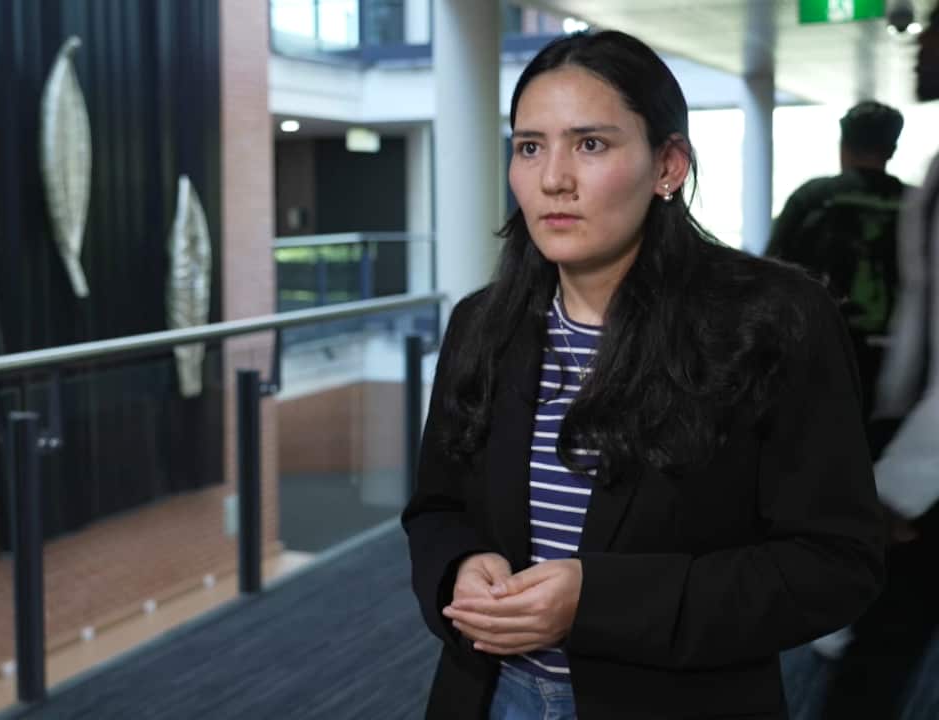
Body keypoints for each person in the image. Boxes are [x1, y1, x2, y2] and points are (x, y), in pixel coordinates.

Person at [402, 30, 885, 720]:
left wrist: (598, 602)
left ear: (668, 165)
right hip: (491, 695)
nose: (552, 179)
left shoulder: (773, 320)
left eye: (590, 144)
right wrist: (457, 566)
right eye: (530, 147)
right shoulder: (482, 323)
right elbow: (436, 508)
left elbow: (834, 564)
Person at [820, 7, 939, 718]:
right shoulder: (920, 186)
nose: (921, 39)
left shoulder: (818, 199)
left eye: (936, 25)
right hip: (902, 427)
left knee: (876, 655)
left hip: (917, 455)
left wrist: (901, 482)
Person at [765, 100, 908, 423]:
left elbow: (770, 272)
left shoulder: (814, 197)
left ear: (844, 145)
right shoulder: (914, 204)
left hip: (822, 350)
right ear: (891, 150)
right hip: (900, 357)